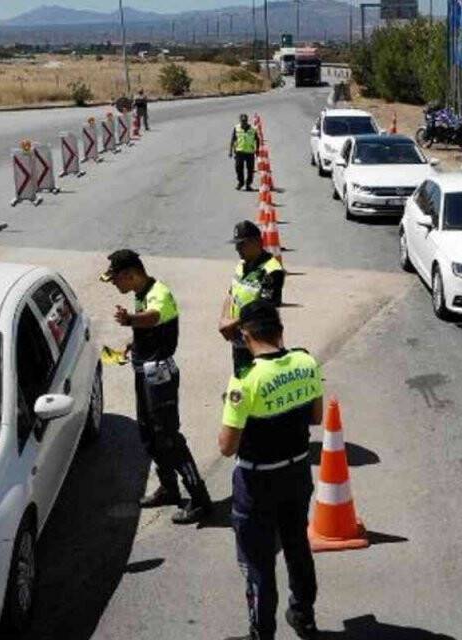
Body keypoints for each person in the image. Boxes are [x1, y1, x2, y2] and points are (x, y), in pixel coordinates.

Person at [218, 302, 322, 640]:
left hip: (256, 482)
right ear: (280, 329)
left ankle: (262, 632)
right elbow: (316, 417)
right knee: (296, 545)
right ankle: (303, 615)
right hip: (296, 473)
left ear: (246, 335)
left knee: (258, 564)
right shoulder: (307, 362)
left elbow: (226, 446)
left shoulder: (245, 380)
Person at [103, 249, 212, 524]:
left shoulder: (158, 294)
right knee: (148, 434)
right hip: (144, 373)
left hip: (160, 377)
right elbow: (151, 327)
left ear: (130, 274)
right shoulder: (139, 294)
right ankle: (169, 487)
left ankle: (200, 499)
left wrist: (129, 319)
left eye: (116, 279)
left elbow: (153, 317)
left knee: (169, 438)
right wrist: (132, 342)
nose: (115, 285)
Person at [219, 221, 285, 376]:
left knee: (262, 381)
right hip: (239, 337)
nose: (237, 249)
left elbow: (263, 308)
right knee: (241, 380)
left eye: (241, 244)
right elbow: (231, 293)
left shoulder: (271, 271)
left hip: (261, 340)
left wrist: (231, 325)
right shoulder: (242, 265)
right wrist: (223, 319)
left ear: (256, 242)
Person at [229, 113, 260, 191]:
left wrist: (257, 150)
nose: (244, 122)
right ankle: (241, 182)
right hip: (239, 151)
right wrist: (230, 151)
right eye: (242, 121)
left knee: (250, 170)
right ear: (240, 121)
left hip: (250, 152)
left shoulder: (252, 129)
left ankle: (248, 184)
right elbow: (233, 140)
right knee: (238, 168)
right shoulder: (236, 128)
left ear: (247, 121)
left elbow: (257, 139)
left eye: (245, 121)